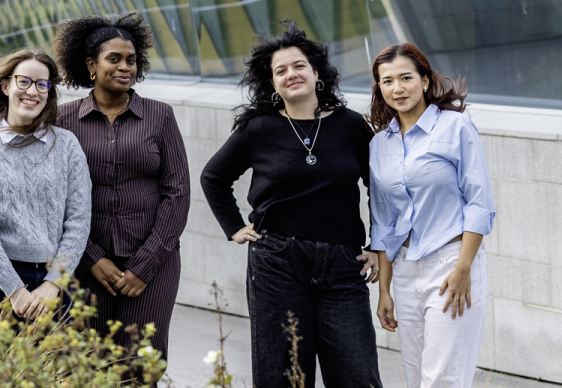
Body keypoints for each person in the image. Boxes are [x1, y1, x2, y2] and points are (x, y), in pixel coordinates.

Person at [200, 23, 383, 388]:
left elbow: (377, 188)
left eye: (298, 65)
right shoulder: (258, 129)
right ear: (273, 83)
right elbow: (213, 178)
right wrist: (235, 227)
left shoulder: (351, 126)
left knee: (357, 375)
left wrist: (378, 245)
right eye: (280, 71)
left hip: (343, 264)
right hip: (277, 263)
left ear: (316, 73)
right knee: (283, 377)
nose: (290, 74)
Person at [52, 14, 190, 358]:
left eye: (131, 60)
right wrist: (91, 259)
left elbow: (178, 193)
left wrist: (144, 265)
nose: (124, 67)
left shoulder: (160, 116)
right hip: (84, 265)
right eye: (113, 59)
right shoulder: (63, 121)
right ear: (91, 66)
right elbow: (55, 198)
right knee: (87, 366)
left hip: (153, 264)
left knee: (140, 367)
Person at [367, 43, 495, 388]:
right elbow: (383, 224)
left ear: (424, 81)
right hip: (405, 269)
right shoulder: (379, 144)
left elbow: (479, 205)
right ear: (379, 88)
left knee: (443, 380)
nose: (398, 88)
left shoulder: (456, 128)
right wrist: (385, 291)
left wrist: (463, 269)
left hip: (451, 264)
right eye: (387, 80)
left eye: (406, 78)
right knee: (417, 376)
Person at [0, 49, 91, 325]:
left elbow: (79, 219)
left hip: (57, 283)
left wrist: (54, 283)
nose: (32, 91)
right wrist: (14, 289)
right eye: (24, 81)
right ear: (6, 85)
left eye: (42, 84)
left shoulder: (67, 144)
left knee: (56, 369)